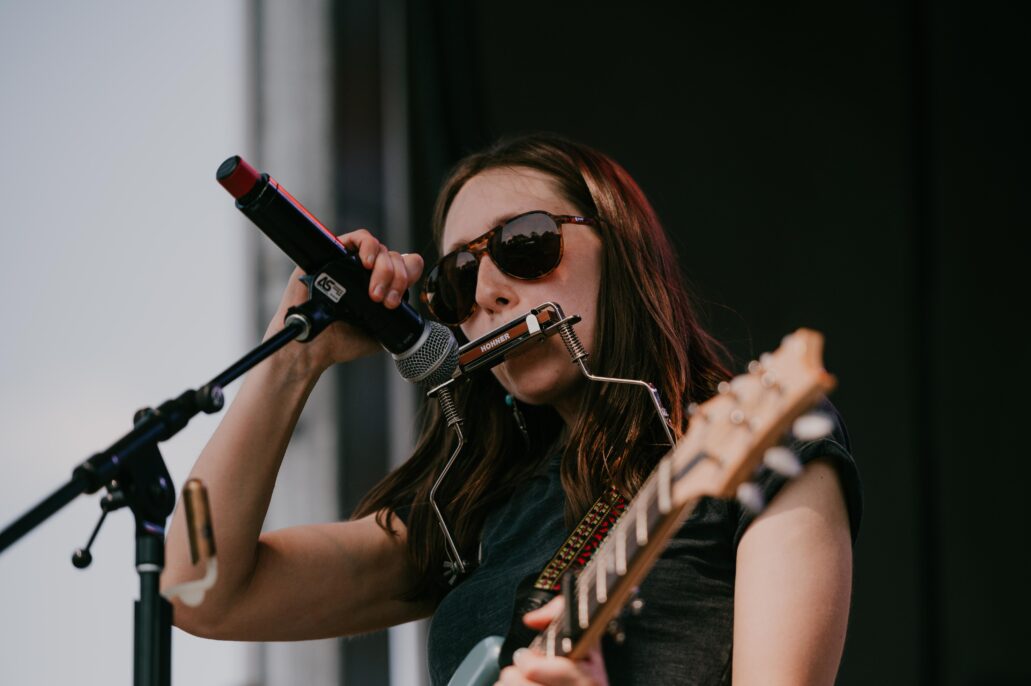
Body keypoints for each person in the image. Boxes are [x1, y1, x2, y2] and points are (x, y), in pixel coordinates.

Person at [163, 132, 862, 685]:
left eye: (523, 244)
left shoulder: (745, 436)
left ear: (619, 251)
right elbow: (202, 592)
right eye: (458, 277)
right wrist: (295, 356)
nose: (489, 291)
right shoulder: (470, 511)